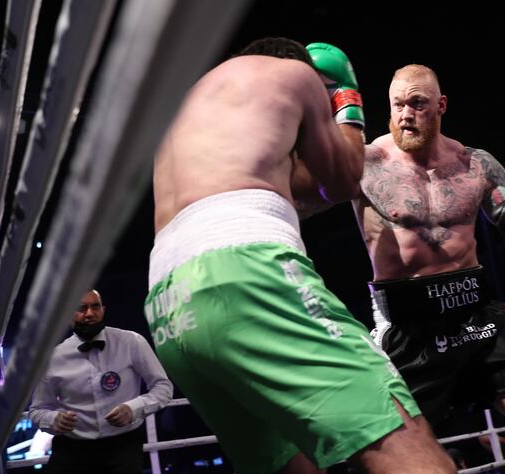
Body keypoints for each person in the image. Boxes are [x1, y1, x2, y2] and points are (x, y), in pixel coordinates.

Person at [144, 38, 455, 474]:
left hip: (169, 307)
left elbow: (301, 187)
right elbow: (343, 178)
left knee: (293, 467)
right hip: (247, 275)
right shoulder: (295, 75)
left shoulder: (193, 110)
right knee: (404, 446)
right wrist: (345, 97)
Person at [344, 64, 505, 473]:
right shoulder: (365, 164)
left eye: (417, 104)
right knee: (398, 460)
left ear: (441, 105)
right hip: (408, 323)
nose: (406, 115)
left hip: (477, 313)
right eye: (398, 105)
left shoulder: (476, 164)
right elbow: (307, 191)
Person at [28, 289, 173, 474]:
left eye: (95, 307)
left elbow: (163, 387)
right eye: (81, 308)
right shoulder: (53, 358)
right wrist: (53, 419)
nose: (89, 313)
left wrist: (133, 408)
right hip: (73, 449)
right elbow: (37, 410)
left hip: (123, 446)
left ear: (103, 310)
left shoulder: (131, 342)